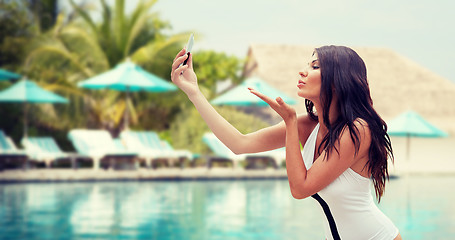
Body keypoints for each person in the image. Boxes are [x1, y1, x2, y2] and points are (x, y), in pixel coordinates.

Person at [171, 45, 402, 240]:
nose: (303, 71)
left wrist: (290, 123)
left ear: (337, 80)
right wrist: (194, 93)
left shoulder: (357, 130)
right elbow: (239, 144)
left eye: (315, 66)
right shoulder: (307, 126)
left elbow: (300, 188)